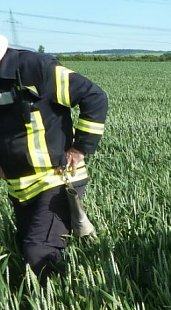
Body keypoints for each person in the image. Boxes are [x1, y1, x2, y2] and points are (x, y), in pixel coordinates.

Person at [0, 34, 108, 281]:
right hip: (20, 188)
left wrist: (80, 149)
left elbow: (95, 97)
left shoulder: (35, 68)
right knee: (26, 249)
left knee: (38, 252)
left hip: (56, 179)